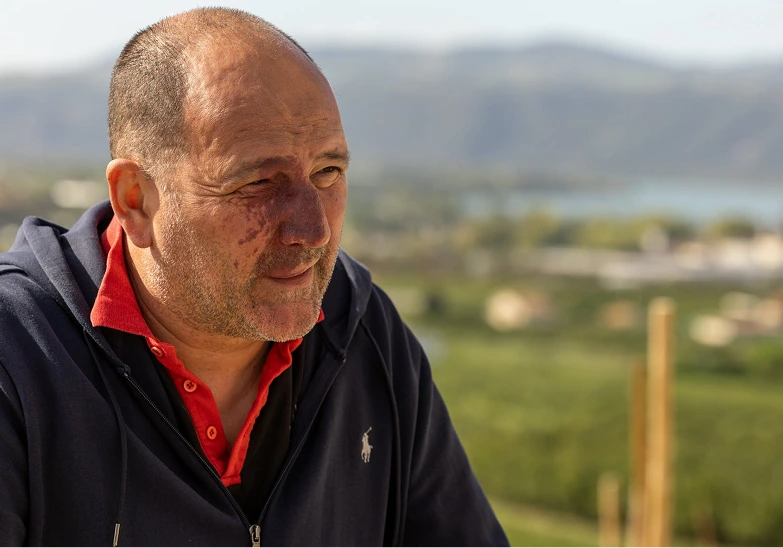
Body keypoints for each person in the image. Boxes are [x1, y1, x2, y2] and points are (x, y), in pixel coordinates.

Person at [0, 7, 509, 547]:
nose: (311, 232)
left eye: (328, 172)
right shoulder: (17, 360)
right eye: (260, 182)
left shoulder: (364, 332)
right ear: (137, 201)